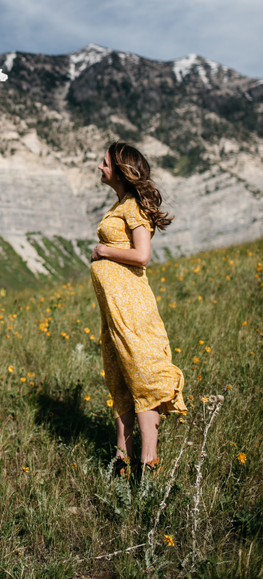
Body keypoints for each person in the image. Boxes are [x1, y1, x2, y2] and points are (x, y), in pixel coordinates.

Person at [90, 141, 186, 476]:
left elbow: (142, 256)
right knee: (119, 377)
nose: (99, 167)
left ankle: (148, 459)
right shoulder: (121, 204)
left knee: (141, 375)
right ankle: (122, 456)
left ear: (118, 169)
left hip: (131, 306)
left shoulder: (133, 207)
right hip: (114, 310)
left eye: (104, 163)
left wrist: (104, 251)